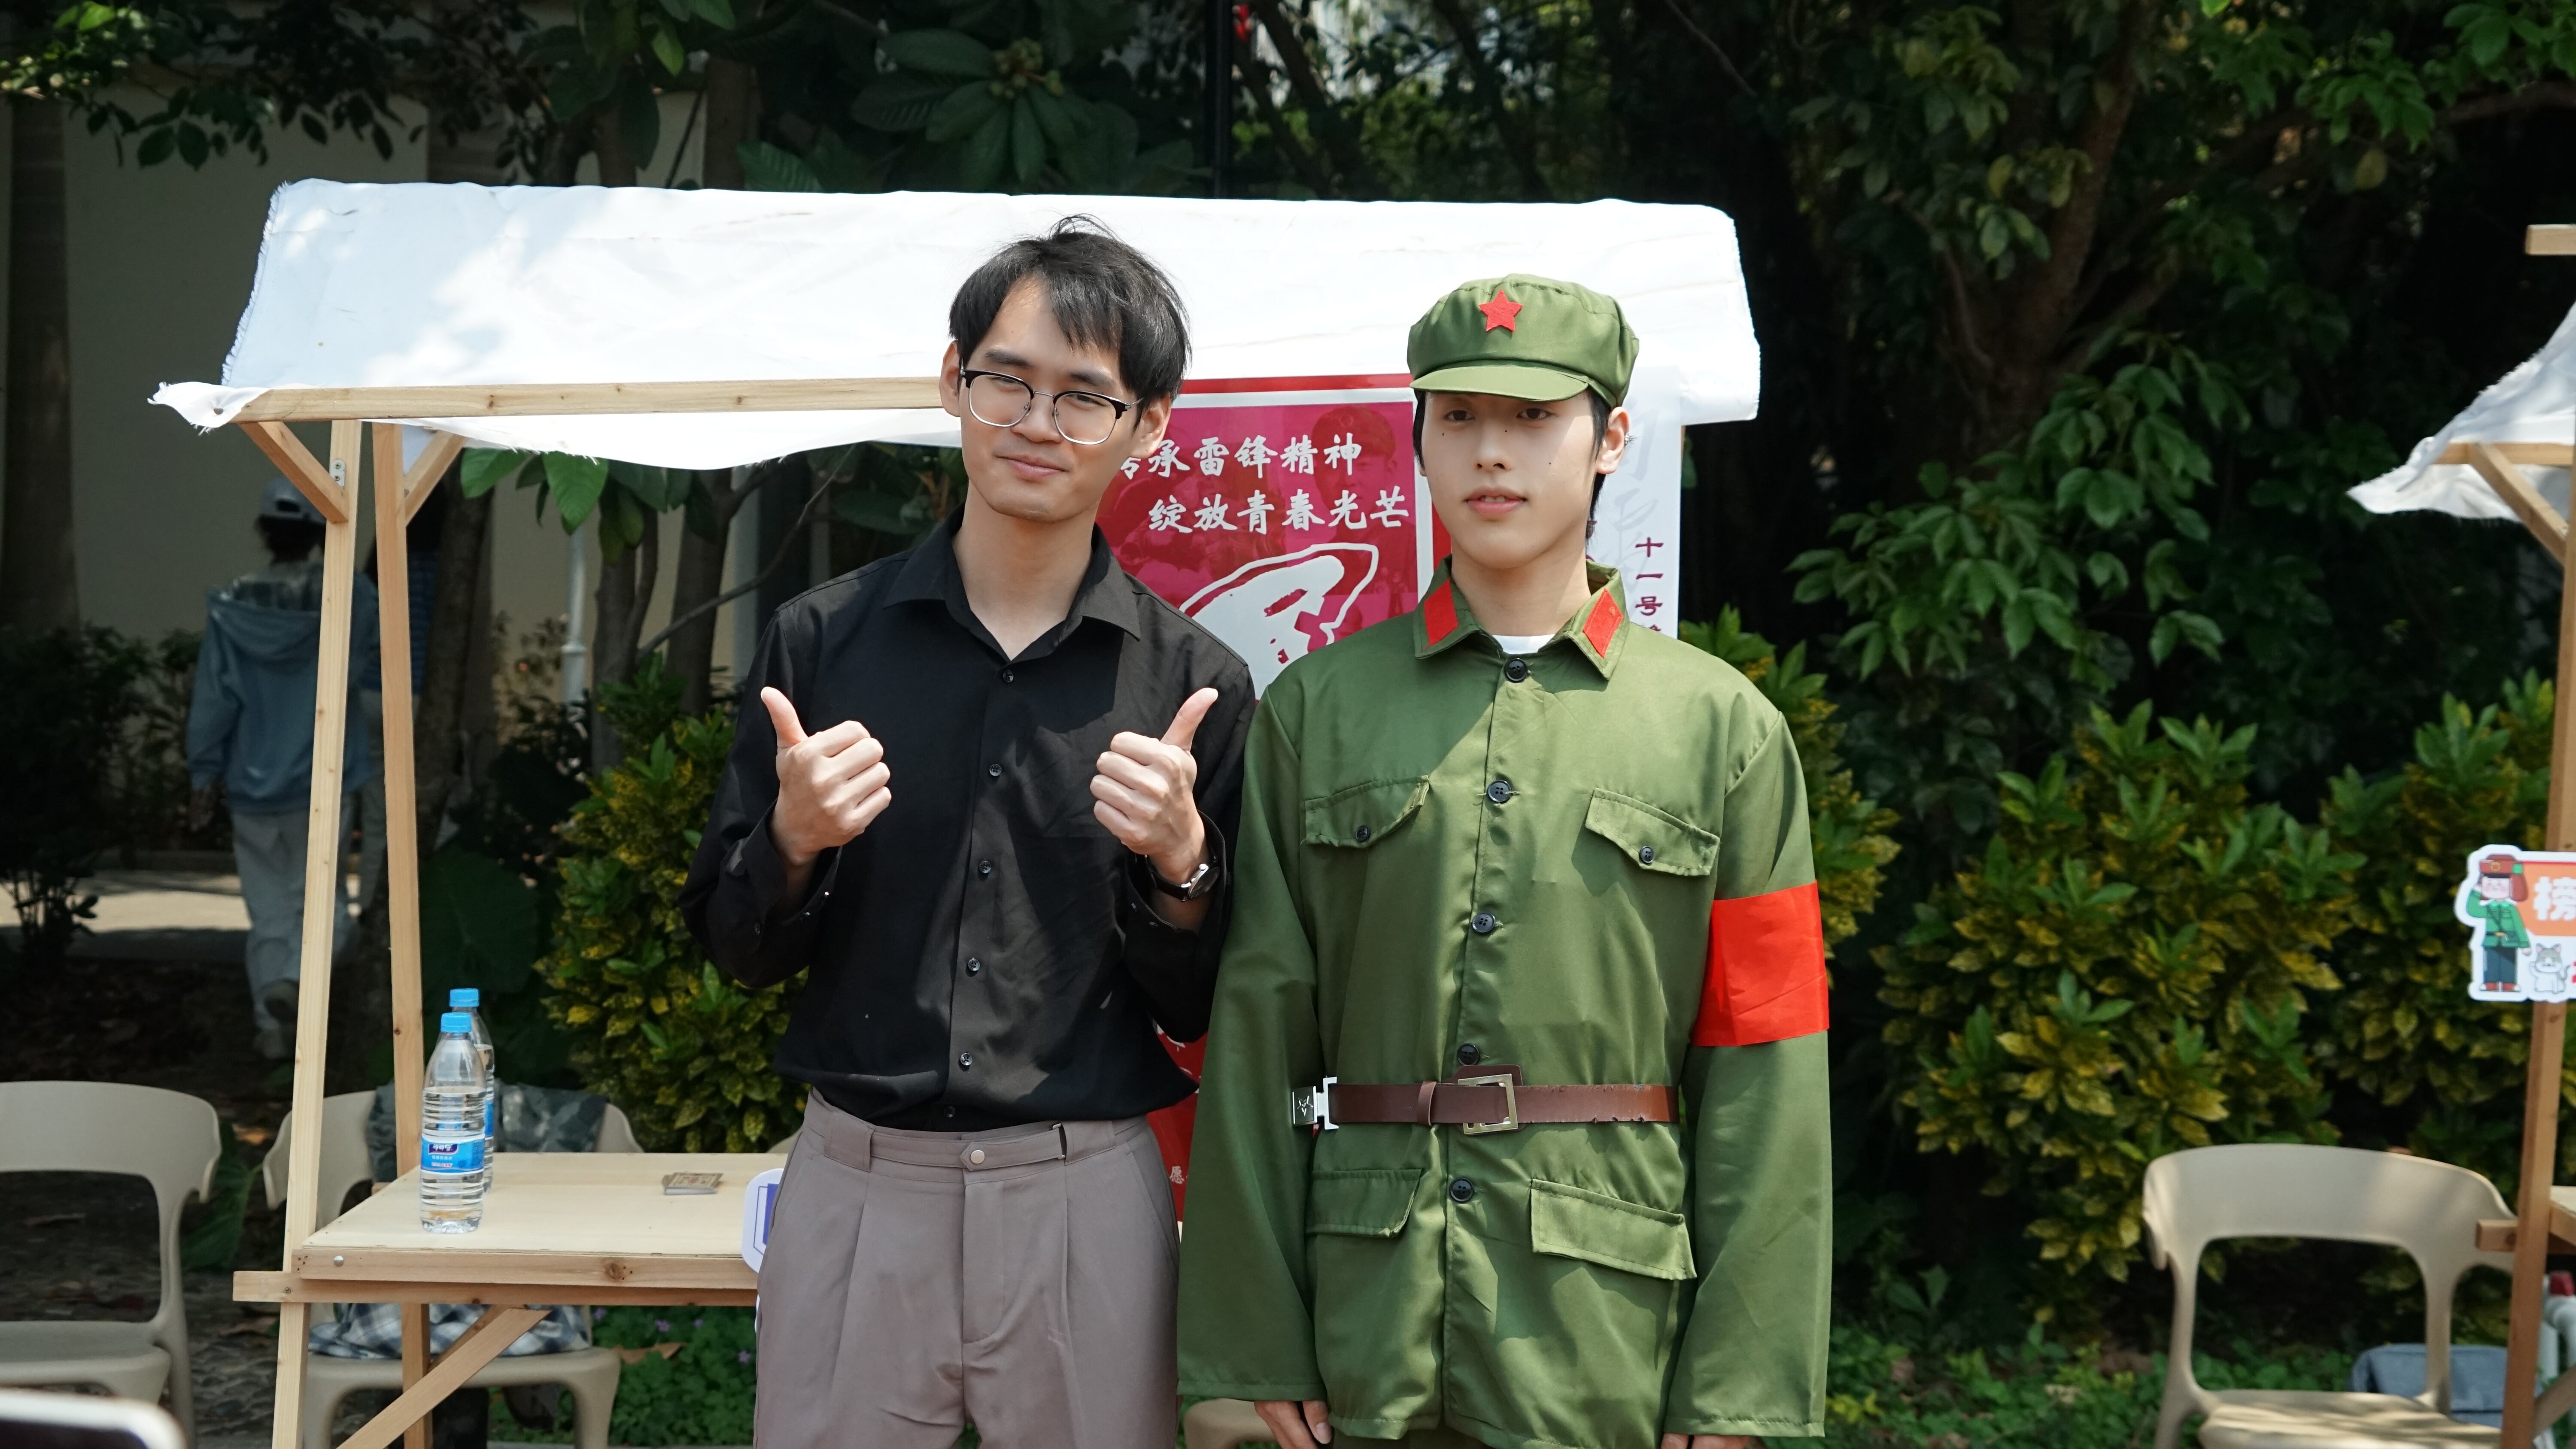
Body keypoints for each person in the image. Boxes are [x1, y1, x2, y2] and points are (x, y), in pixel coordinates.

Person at [1174, 275, 1832, 1449]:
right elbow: (1260, 1034)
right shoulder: (1317, 712)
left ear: (1611, 440)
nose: (1492, 452)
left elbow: (1768, 1066)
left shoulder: (1723, 732)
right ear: (1419, 438)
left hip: (1601, 1335)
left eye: (1534, 418)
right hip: (1362, 1329)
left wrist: (1737, 1383)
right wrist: (1255, 1338)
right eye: (1461, 416)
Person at [679, 217, 1254, 1449]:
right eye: (1009, 380)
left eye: (1085, 397)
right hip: (856, 1183)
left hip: (1085, 1193)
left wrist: (1184, 865)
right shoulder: (822, 644)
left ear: (1150, 428)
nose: (1038, 423)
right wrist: (790, 840)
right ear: (954, 379)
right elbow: (734, 950)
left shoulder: (1192, 686)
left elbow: (1202, 997)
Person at [187, 476, 379, 1061]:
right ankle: (295, 986)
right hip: (324, 777)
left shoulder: (234, 605)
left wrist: (203, 774)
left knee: (268, 910)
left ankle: (271, 1027)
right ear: (320, 532)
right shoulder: (351, 597)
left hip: (251, 783)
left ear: (264, 531)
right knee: (323, 905)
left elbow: (214, 700)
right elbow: (368, 663)